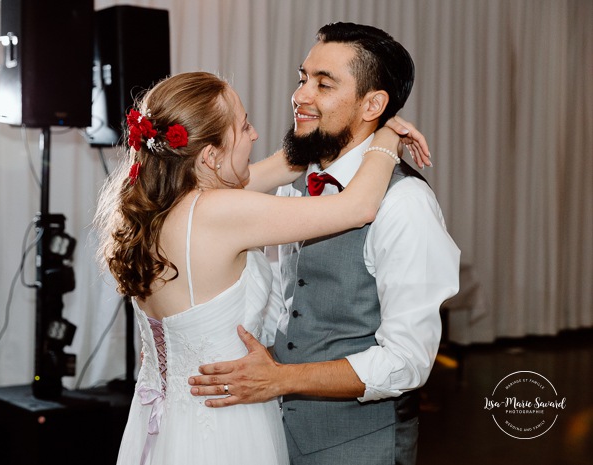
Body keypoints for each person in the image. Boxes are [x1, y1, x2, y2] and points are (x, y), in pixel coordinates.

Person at [94, 70, 430, 465]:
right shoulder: (221, 212)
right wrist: (388, 135)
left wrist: (325, 123)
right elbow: (358, 208)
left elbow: (280, 165)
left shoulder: (156, 206)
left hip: (166, 421)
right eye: (244, 126)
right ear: (210, 155)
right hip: (225, 427)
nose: (254, 136)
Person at [188, 23, 461, 465]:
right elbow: (283, 300)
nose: (300, 95)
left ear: (373, 104)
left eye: (323, 83)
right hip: (271, 434)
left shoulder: (406, 203)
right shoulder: (295, 183)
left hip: (359, 446)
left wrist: (281, 379)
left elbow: (408, 361)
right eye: (302, 78)